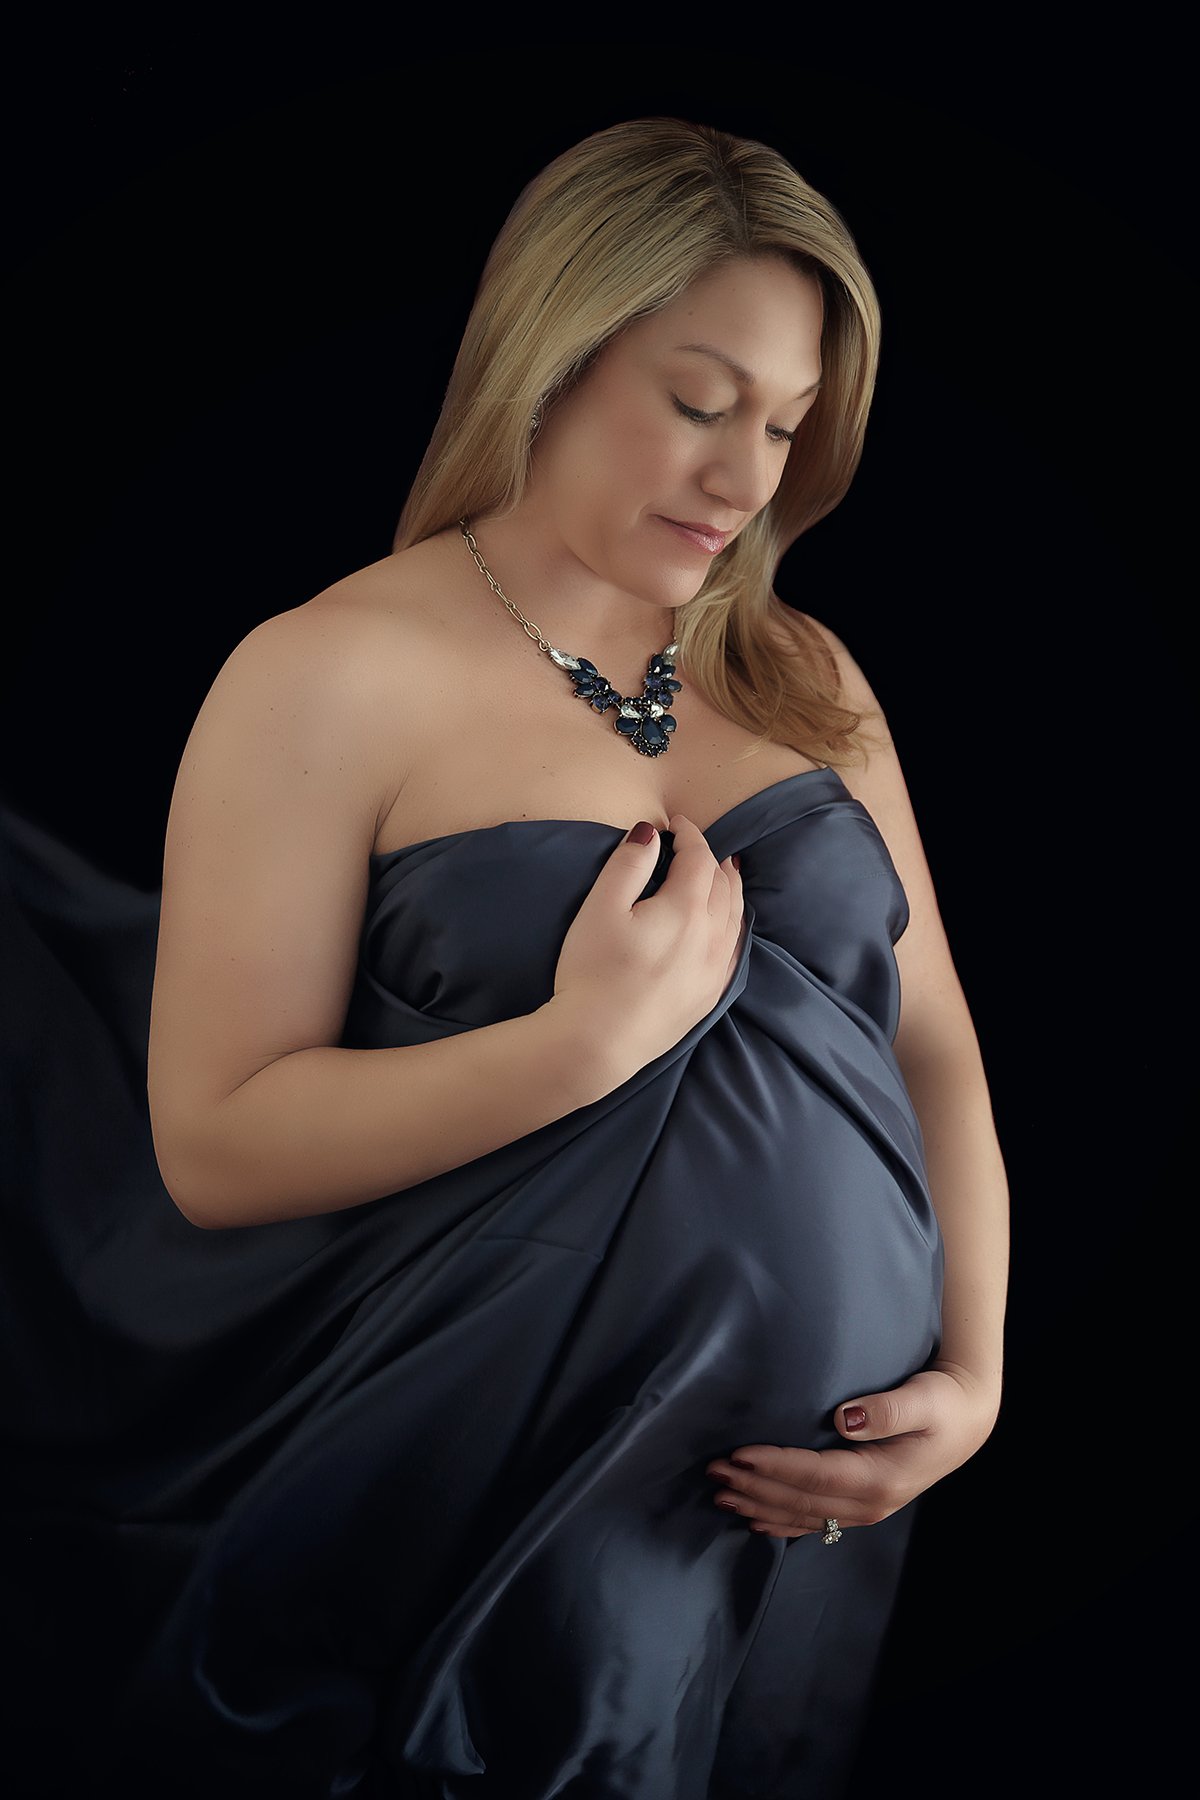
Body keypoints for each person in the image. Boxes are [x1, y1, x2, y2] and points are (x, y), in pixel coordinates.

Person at [7, 116, 1008, 1798]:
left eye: (785, 421)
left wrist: (972, 1380)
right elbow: (217, 1140)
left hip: (775, 1535)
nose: (745, 477)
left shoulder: (806, 671)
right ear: (550, 351)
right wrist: (574, 1049)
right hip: (470, 1497)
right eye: (699, 403)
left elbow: (936, 1054)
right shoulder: (324, 675)